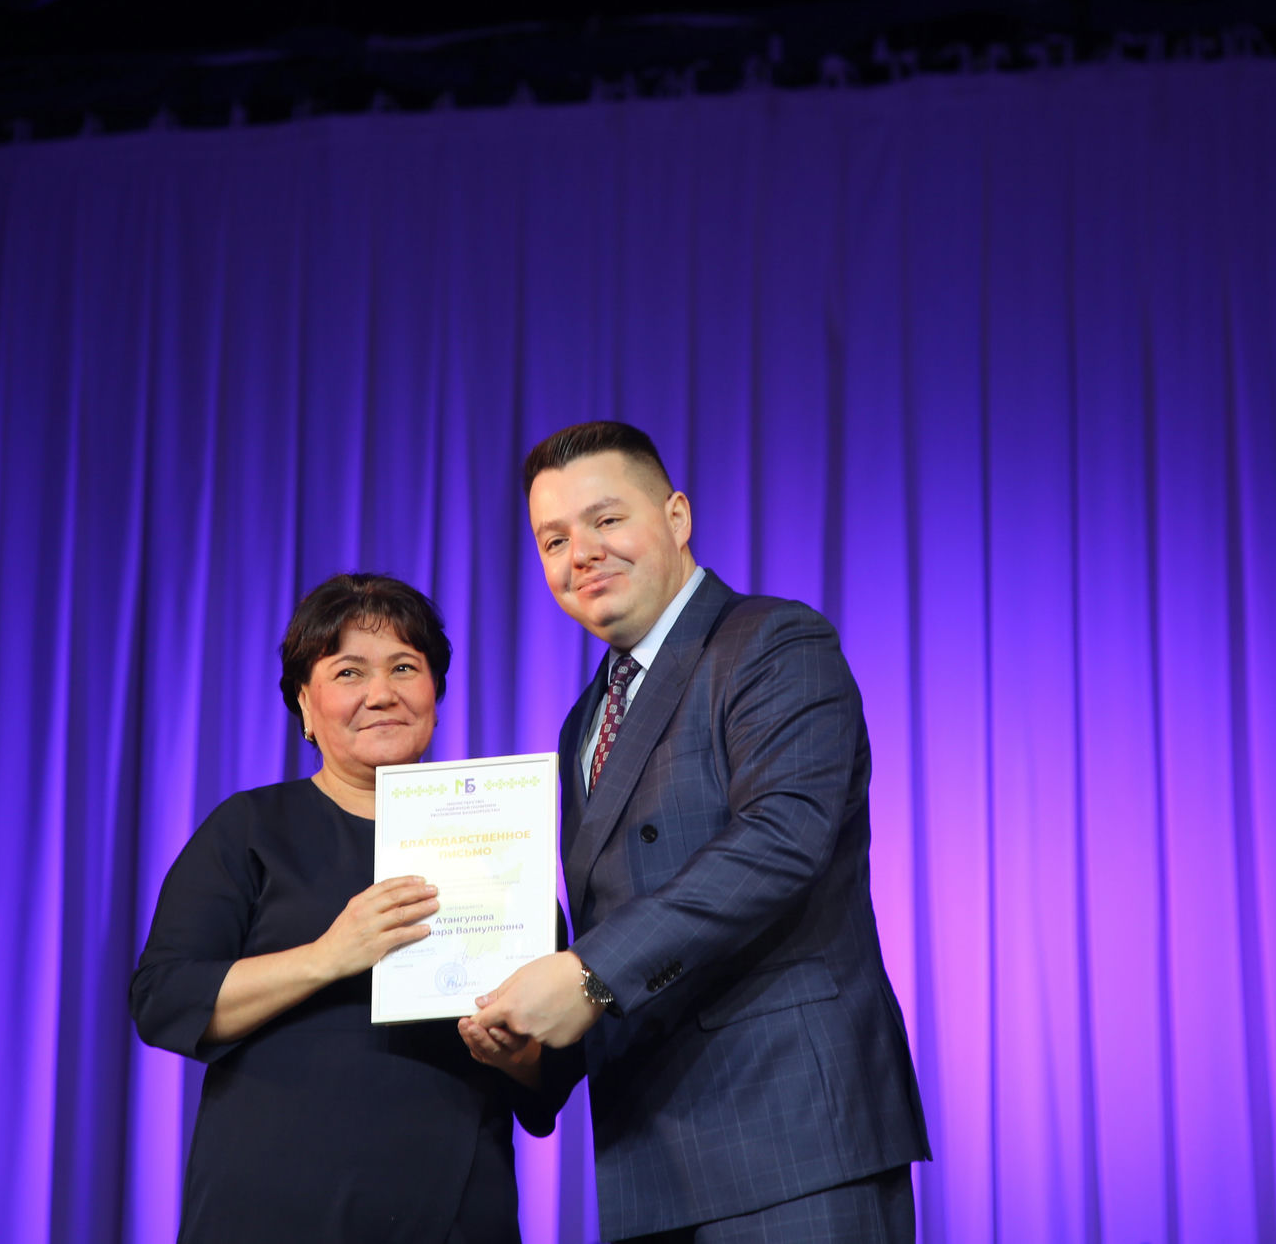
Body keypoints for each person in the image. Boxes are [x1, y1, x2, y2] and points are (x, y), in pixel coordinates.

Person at [462, 422, 932, 1243]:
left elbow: (781, 839)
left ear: (677, 516)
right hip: (651, 1159)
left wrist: (584, 975)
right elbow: (615, 930)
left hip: (790, 1140)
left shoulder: (773, 641)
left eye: (607, 519)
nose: (582, 553)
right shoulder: (584, 723)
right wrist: (528, 1050)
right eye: (554, 539)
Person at [131, 572, 555, 1244]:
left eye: (404, 667)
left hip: (453, 1207)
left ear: (437, 693)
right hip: (266, 1207)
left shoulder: (501, 843)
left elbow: (550, 1073)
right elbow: (164, 998)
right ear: (305, 701)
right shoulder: (249, 828)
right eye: (349, 671)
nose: (381, 693)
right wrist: (329, 955)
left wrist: (515, 1053)